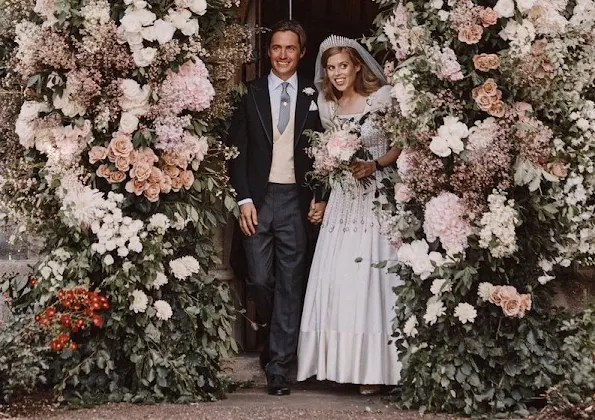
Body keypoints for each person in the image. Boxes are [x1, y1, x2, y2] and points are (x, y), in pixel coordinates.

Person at [297, 35, 403, 395]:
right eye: (331, 67)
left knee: (372, 279)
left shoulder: (382, 99)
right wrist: (322, 197)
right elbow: (328, 163)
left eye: (343, 65)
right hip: (343, 201)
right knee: (340, 276)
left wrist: (374, 163)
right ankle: (338, 364)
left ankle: (376, 369)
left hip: (376, 196)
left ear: (358, 65)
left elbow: (399, 144)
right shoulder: (328, 106)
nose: (337, 73)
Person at [228, 20, 326, 396]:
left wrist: (320, 195)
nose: (282, 55)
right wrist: (244, 199)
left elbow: (324, 154)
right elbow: (236, 152)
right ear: (268, 52)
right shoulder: (250, 93)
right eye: (276, 48)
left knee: (290, 283)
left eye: (290, 49)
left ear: (301, 53)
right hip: (259, 198)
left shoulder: (313, 97)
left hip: (295, 201)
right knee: (259, 279)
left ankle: (279, 367)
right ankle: (271, 337)